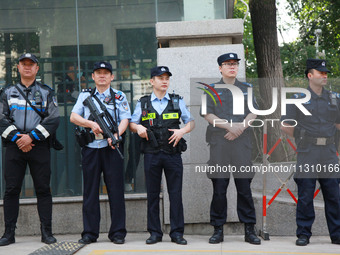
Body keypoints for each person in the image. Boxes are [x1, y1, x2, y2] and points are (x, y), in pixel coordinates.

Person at [130, 66, 194, 245]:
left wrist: (182, 131)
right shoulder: (142, 103)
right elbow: (132, 124)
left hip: (173, 153)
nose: (164, 81)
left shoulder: (177, 101)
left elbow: (191, 122)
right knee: (152, 195)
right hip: (151, 154)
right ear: (152, 81)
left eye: (167, 78)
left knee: (175, 194)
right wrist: (138, 127)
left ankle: (177, 233)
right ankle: (154, 233)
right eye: (160, 78)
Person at [0, 53, 60, 246]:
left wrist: (31, 137)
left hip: (39, 146)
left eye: (31, 64)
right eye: (24, 64)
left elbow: (53, 119)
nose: (27, 67)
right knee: (11, 190)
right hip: (14, 146)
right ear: (18, 67)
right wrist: (19, 138)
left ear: (37, 68)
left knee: (43, 190)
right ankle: (9, 234)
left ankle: (46, 233)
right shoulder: (7, 92)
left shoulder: (46, 92)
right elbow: (1, 119)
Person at [280, 59, 340, 246]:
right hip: (308, 151)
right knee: (306, 194)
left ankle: (337, 234)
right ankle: (303, 234)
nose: (324, 75)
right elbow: (285, 124)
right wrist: (299, 134)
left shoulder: (334, 98)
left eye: (325, 73)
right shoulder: (297, 98)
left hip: (329, 152)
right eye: (320, 72)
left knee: (334, 194)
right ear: (309, 75)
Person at [70, 61, 131, 245]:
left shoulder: (119, 96)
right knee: (90, 192)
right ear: (93, 77)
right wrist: (91, 124)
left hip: (112, 148)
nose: (102, 75)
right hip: (91, 149)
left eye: (106, 73)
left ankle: (118, 233)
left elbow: (125, 119)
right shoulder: (84, 95)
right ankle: (89, 233)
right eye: (98, 73)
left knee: (116, 191)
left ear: (112, 77)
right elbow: (74, 117)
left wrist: (116, 135)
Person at [203, 53, 261, 245]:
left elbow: (253, 111)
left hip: (241, 142)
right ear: (220, 68)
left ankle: (249, 230)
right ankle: (218, 229)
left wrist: (239, 128)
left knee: (244, 187)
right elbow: (207, 114)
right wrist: (229, 127)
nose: (232, 67)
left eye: (235, 64)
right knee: (219, 187)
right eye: (228, 64)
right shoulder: (211, 90)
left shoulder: (247, 88)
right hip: (220, 141)